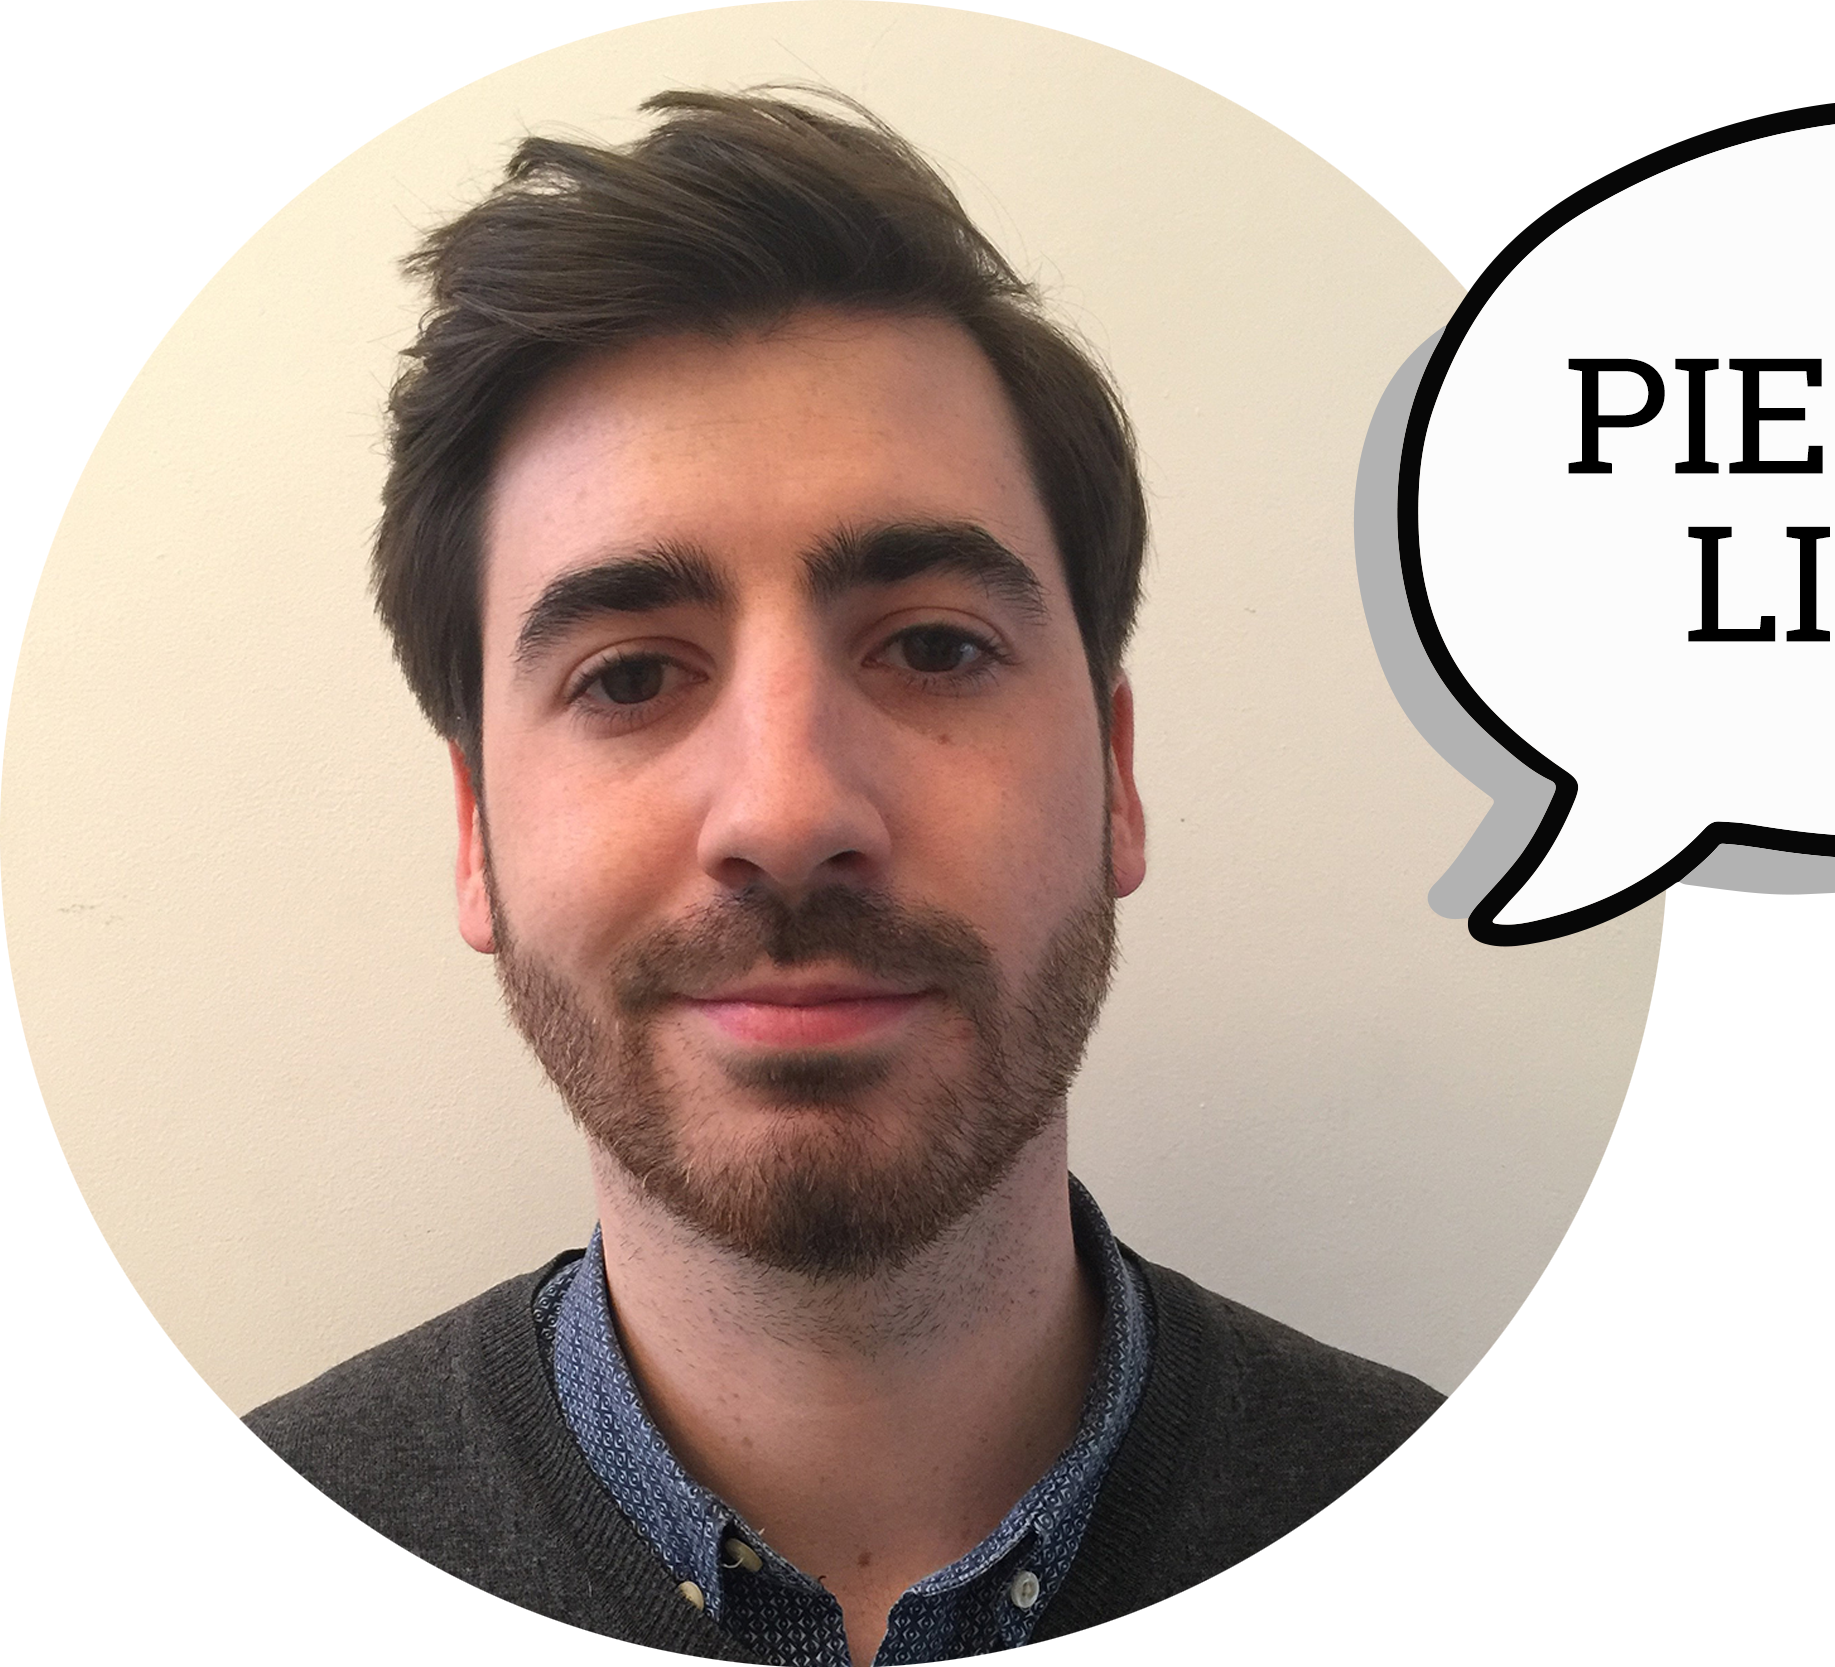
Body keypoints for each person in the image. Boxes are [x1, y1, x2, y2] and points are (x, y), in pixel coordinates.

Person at [49, 89, 1647, 1667]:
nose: (788, 806)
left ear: (1115, 776)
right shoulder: (202, 1614)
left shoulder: (1485, 1587)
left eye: (933, 648)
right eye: (629, 675)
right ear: (476, 832)